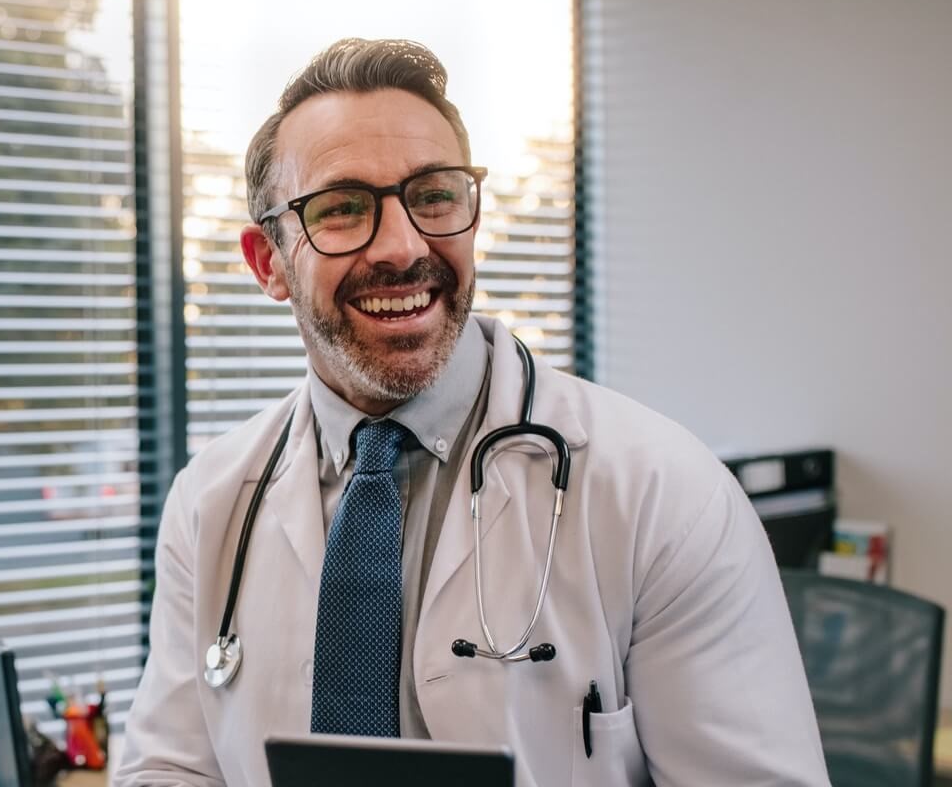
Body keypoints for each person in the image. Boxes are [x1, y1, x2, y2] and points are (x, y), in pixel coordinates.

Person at [115, 38, 829, 787]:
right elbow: (169, 765)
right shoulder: (211, 501)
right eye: (342, 208)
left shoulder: (660, 491)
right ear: (269, 263)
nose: (401, 246)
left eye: (433, 195)